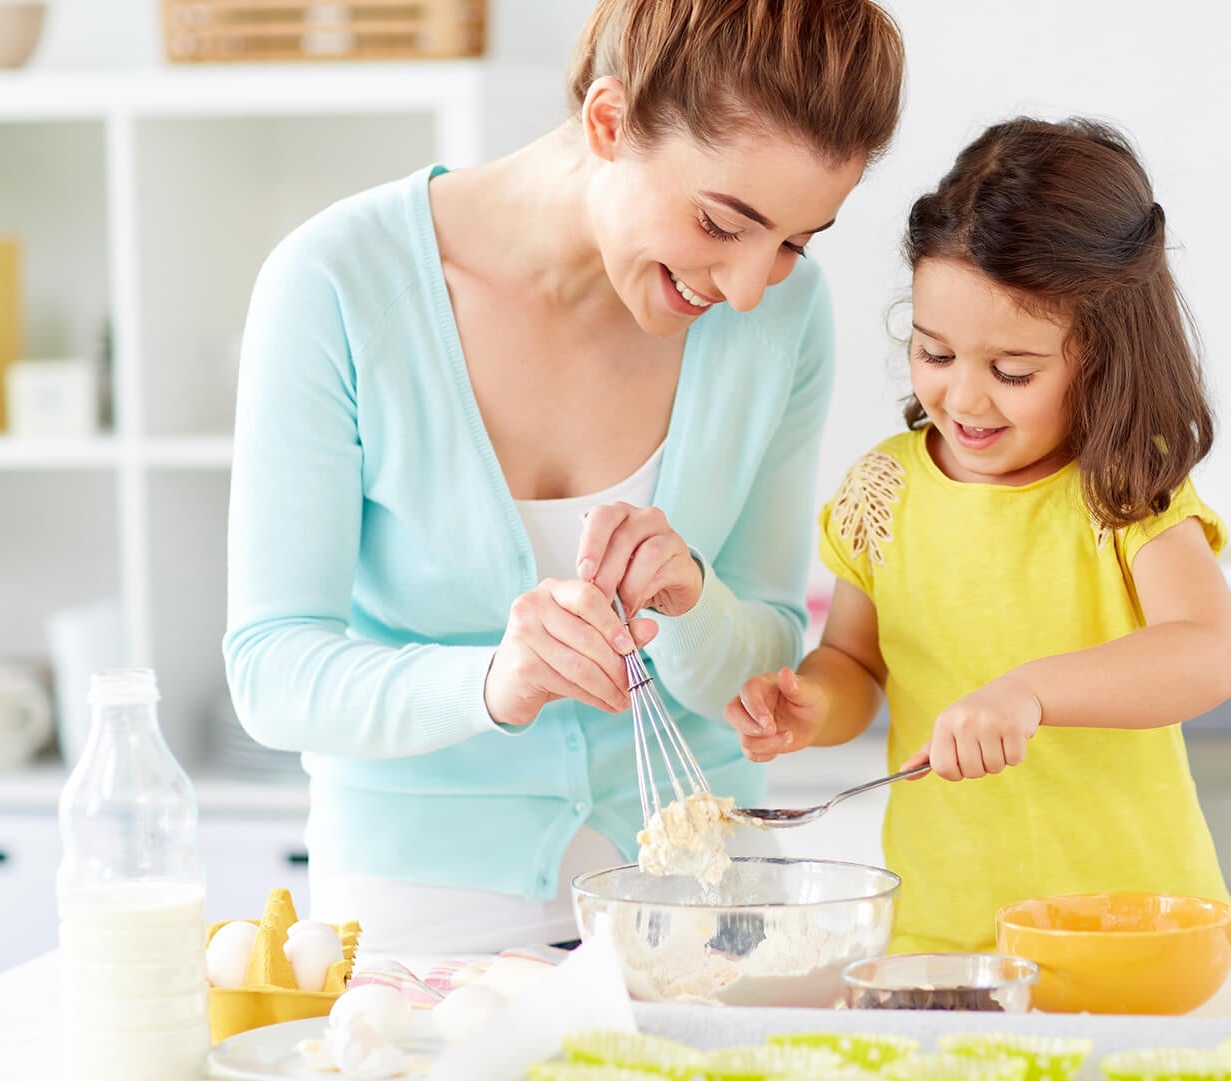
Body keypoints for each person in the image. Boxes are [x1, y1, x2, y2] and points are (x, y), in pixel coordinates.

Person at [223, 0, 904, 954]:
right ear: (609, 121)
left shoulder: (786, 321)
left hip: (699, 897)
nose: (748, 288)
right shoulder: (335, 285)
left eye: (794, 241)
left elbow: (768, 667)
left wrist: (697, 603)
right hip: (420, 905)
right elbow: (271, 667)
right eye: (721, 222)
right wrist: (492, 682)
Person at [725, 117, 1231, 957]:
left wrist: (1030, 691)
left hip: (1131, 933)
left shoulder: (1123, 489)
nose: (965, 398)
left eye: (1012, 372)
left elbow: (1207, 653)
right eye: (934, 353)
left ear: (1105, 358)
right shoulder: (884, 490)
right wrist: (812, 705)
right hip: (943, 934)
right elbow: (859, 664)